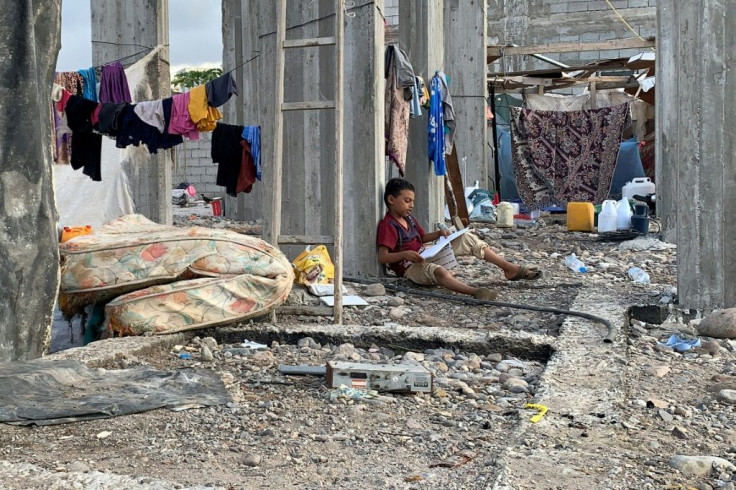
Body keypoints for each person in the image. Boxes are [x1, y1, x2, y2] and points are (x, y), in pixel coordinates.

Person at [376, 178, 542, 300]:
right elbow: (383, 257)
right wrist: (405, 254)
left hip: (425, 253)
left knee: (466, 237)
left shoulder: (409, 219)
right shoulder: (388, 225)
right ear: (391, 200)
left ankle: (508, 268)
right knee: (440, 272)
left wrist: (440, 234)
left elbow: (422, 237)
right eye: (407, 201)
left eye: (412, 201)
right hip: (410, 267)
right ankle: (474, 292)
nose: (411, 205)